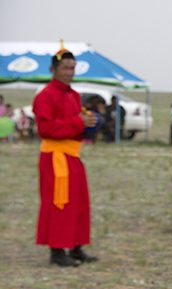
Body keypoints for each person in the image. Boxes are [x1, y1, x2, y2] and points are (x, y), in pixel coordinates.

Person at [32, 41, 100, 267]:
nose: (69, 73)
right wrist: (77, 122)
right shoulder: (45, 95)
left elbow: (76, 124)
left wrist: (88, 123)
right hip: (55, 157)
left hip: (72, 155)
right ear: (53, 70)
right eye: (65, 68)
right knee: (58, 203)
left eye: (72, 68)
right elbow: (46, 129)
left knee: (79, 201)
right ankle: (57, 251)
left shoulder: (74, 95)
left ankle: (77, 246)